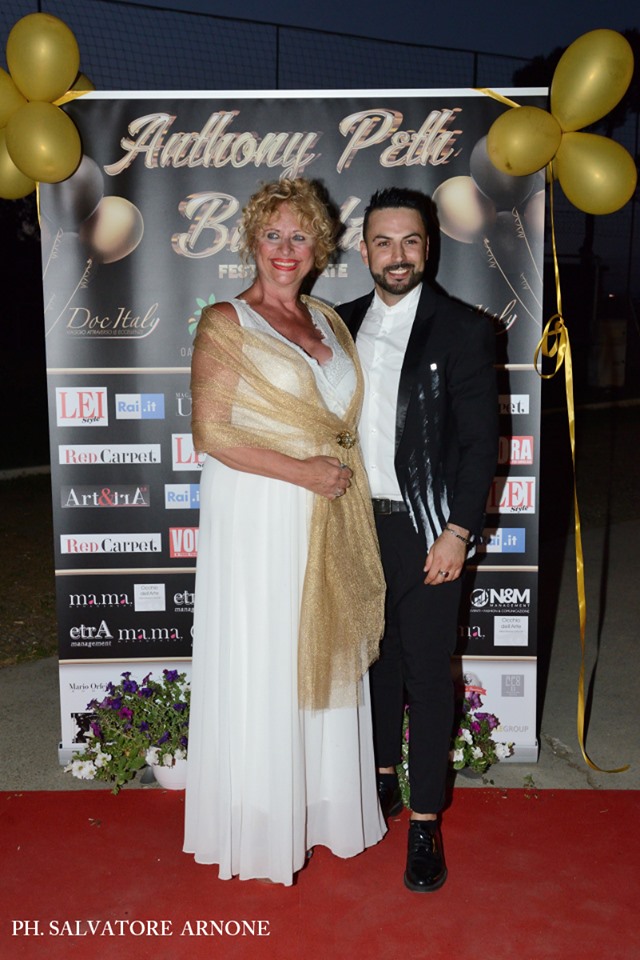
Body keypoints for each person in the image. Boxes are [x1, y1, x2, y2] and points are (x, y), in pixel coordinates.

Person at [183, 179, 386, 886]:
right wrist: (305, 473)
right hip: (261, 512)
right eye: (273, 234)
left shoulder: (327, 319)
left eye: (300, 236)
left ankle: (321, 806)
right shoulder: (226, 321)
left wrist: (330, 478)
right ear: (252, 241)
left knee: (321, 649)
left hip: (326, 513)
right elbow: (211, 433)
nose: (285, 249)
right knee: (268, 652)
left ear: (319, 247)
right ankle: (262, 817)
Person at [336, 186, 498, 893]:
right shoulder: (338, 325)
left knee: (429, 676)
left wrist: (458, 530)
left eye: (409, 241)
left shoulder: (463, 329)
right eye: (383, 241)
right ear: (364, 250)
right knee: (373, 664)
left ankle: (425, 822)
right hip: (353, 528)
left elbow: (482, 444)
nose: (396, 255)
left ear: (427, 248)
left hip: (428, 529)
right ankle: (380, 783)